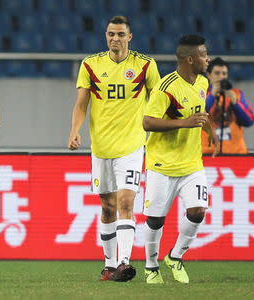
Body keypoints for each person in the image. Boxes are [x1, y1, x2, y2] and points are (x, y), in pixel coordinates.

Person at [68, 15, 161, 282]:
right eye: (111, 34)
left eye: (120, 34)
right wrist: (75, 130)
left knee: (126, 202)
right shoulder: (91, 64)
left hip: (132, 146)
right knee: (107, 207)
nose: (115, 39)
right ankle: (109, 266)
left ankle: (124, 262)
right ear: (106, 36)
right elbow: (81, 103)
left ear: (129, 37)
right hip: (101, 147)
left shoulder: (145, 65)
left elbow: (158, 100)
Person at [142, 35, 220, 284]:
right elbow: (148, 122)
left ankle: (175, 257)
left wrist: (212, 135)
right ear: (190, 59)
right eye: (203, 55)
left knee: (198, 212)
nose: (207, 59)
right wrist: (182, 123)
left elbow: (200, 115)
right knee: (156, 220)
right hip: (161, 165)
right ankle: (151, 267)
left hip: (191, 163)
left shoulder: (203, 83)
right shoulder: (166, 88)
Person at [202, 57, 254, 154]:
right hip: (208, 154)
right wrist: (213, 94)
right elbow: (198, 116)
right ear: (208, 75)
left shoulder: (236, 94)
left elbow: (249, 121)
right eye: (217, 73)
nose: (221, 77)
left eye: (224, 73)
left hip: (236, 154)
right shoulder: (202, 94)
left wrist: (235, 102)